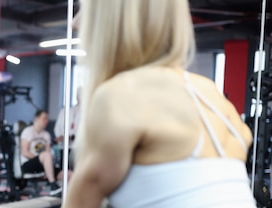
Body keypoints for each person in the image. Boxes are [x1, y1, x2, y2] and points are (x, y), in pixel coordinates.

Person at [64, 0, 256, 207]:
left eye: (86, 9)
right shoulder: (211, 95)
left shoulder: (121, 95)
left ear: (112, 22)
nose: (75, 23)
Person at [20, 110, 61, 196]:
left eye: (47, 119)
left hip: (43, 163)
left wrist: (47, 166)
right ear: (36, 118)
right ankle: (53, 185)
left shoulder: (46, 135)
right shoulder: (28, 132)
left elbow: (48, 153)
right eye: (44, 118)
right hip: (28, 163)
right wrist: (41, 159)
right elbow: (24, 152)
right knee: (45, 155)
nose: (46, 121)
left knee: (69, 174)